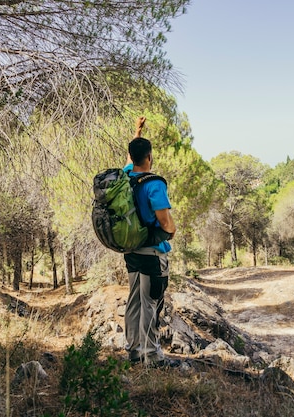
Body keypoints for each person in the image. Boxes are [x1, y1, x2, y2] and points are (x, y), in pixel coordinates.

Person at [122, 119, 176, 367]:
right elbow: (165, 222)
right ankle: (152, 356)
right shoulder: (154, 184)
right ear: (150, 157)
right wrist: (172, 231)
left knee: (134, 300)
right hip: (153, 254)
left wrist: (137, 133)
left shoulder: (125, 176)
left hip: (132, 250)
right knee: (151, 303)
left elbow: (131, 156)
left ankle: (133, 351)